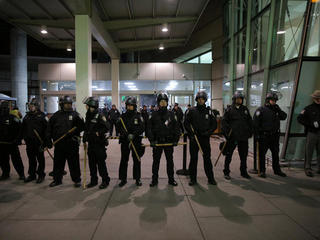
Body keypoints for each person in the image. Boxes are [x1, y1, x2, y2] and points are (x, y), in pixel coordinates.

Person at [46, 96, 84, 187]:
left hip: (72, 144)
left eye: (70, 104)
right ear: (62, 104)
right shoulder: (56, 116)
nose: (68, 105)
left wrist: (74, 132)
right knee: (58, 163)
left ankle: (77, 180)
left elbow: (82, 126)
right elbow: (49, 129)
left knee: (74, 163)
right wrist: (48, 140)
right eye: (66, 104)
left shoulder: (76, 115)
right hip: (59, 144)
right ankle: (57, 180)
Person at [184, 91, 217, 185]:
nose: (200, 100)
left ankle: (211, 178)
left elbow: (214, 124)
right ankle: (193, 179)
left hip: (205, 138)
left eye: (202, 99)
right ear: (196, 100)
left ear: (205, 100)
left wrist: (208, 132)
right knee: (193, 159)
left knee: (207, 159)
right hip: (194, 138)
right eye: (199, 99)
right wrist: (191, 133)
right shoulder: (191, 111)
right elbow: (186, 123)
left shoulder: (209, 111)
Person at [147, 93, 180, 187]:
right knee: (156, 162)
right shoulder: (153, 114)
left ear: (167, 103)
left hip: (168, 142)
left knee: (170, 161)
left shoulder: (172, 114)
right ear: (158, 103)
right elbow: (149, 129)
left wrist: (176, 140)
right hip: (157, 142)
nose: (163, 103)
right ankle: (154, 180)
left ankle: (171, 179)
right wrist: (151, 140)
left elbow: (176, 128)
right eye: (161, 102)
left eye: (164, 102)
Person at [253, 92, 287, 178]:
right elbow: (255, 124)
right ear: (268, 100)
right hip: (264, 136)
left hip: (274, 136)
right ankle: (262, 171)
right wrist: (257, 136)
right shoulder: (261, 110)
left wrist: (278, 109)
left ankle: (277, 170)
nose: (274, 102)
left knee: (275, 154)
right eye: (273, 100)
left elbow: (284, 117)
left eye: (275, 100)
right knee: (262, 155)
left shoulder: (276, 109)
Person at [221, 91, 253, 180]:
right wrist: (227, 134)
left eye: (241, 99)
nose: (239, 100)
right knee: (229, 155)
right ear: (234, 99)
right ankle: (226, 172)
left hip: (243, 137)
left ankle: (243, 171)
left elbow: (250, 121)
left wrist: (250, 132)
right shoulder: (229, 110)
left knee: (243, 156)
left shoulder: (245, 109)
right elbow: (224, 123)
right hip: (232, 137)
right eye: (238, 98)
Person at [83, 97, 110, 189]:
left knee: (101, 163)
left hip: (99, 144)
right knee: (92, 164)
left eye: (87, 106)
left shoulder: (100, 115)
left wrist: (98, 133)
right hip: (91, 144)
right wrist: (84, 138)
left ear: (92, 106)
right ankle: (94, 180)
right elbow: (86, 128)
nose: (86, 107)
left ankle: (105, 180)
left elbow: (107, 127)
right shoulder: (88, 115)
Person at [117, 97, 145, 187]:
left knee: (136, 160)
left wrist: (134, 134)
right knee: (124, 160)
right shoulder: (122, 116)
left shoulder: (138, 116)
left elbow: (142, 127)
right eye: (128, 106)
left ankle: (137, 178)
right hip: (125, 141)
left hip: (136, 141)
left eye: (131, 106)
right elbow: (118, 127)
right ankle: (123, 179)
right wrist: (124, 133)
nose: (129, 108)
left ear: (134, 106)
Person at [22, 98, 48, 183]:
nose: (30, 107)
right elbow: (23, 128)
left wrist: (45, 142)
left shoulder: (42, 116)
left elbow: (47, 130)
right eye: (30, 105)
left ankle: (41, 175)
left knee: (40, 159)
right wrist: (23, 138)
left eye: (32, 105)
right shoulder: (27, 116)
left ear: (37, 106)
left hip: (39, 142)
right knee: (31, 159)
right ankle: (32, 175)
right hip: (29, 142)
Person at [0, 101, 25, 181]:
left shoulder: (13, 118)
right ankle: (5, 174)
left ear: (8, 108)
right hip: (2, 144)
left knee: (16, 160)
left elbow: (20, 129)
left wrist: (18, 139)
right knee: (3, 160)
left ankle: (21, 174)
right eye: (3, 108)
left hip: (12, 143)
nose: (4, 109)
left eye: (5, 108)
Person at [297, 90, 320, 177]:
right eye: (318, 98)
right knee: (309, 151)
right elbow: (299, 118)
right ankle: (307, 168)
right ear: (315, 99)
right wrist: (311, 124)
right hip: (312, 133)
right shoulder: (308, 108)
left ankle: (319, 168)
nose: (319, 100)